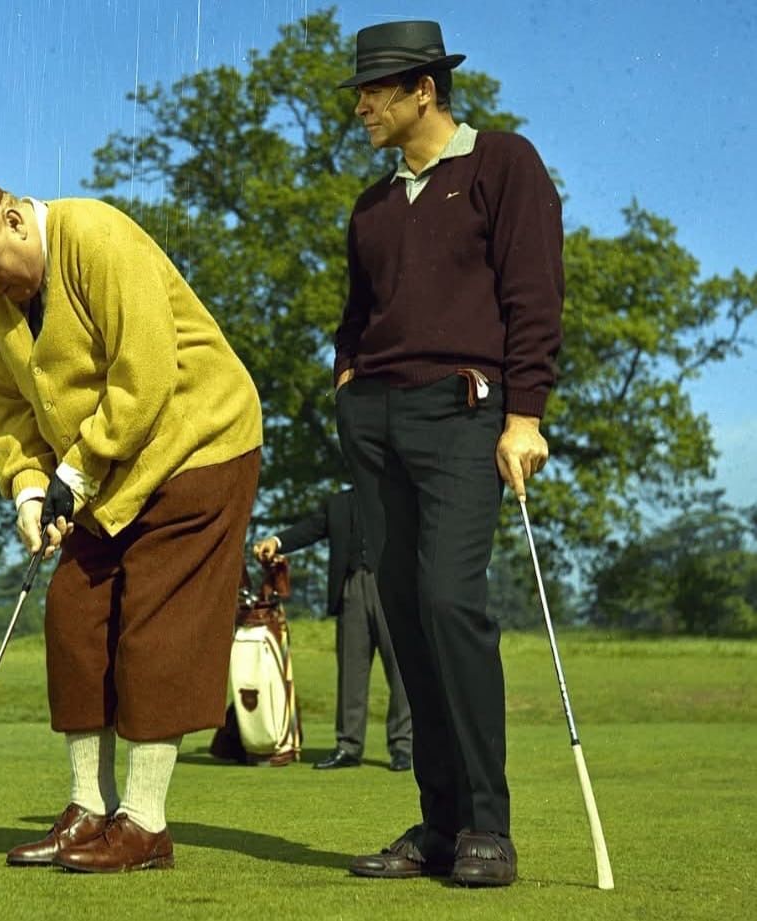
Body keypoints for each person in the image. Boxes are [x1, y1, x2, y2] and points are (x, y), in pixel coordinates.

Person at [0, 176, 262, 873]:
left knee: (156, 627)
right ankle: (88, 810)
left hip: (199, 443)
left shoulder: (98, 237)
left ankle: (145, 824)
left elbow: (144, 375)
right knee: (74, 611)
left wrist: (73, 474)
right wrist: (27, 490)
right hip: (110, 468)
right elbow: (5, 408)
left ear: (14, 220)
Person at [331, 21, 564, 887]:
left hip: (465, 412)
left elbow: (533, 294)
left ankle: (486, 827)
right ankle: (438, 824)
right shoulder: (372, 205)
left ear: (422, 89)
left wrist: (524, 415)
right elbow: (355, 316)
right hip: (375, 420)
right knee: (403, 613)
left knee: (448, 600)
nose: (361, 107)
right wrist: (347, 384)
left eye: (374, 91)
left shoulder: (502, 164)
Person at [253, 489, 412, 771]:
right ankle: (348, 746)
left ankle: (403, 747)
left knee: (401, 672)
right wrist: (276, 541)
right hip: (351, 590)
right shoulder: (339, 503)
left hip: (394, 586)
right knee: (351, 672)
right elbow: (309, 529)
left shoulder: (403, 493)